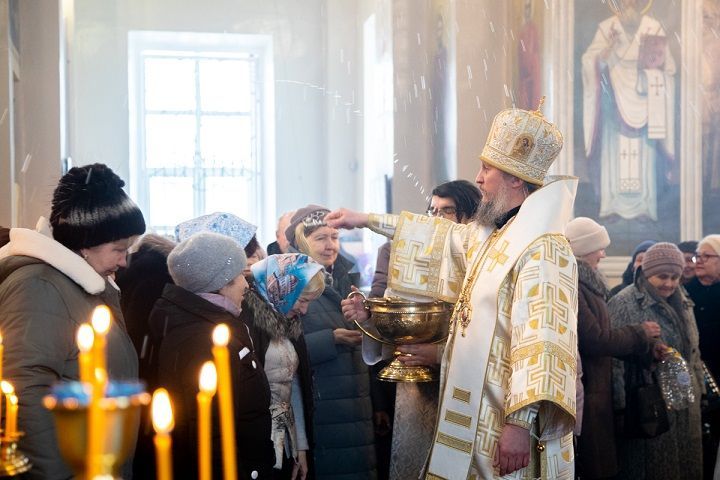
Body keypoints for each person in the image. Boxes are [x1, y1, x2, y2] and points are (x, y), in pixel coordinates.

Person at [329, 105, 578, 479]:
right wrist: (365, 219)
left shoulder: (543, 246)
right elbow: (439, 235)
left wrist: (519, 423)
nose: (478, 178)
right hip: (475, 405)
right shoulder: (495, 236)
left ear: (514, 178)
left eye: (487, 169)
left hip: (504, 417)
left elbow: (542, 340)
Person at [0, 163, 145, 479]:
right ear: (85, 242)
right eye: (118, 249)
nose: (124, 260)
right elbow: (25, 393)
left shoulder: (81, 284)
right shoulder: (39, 286)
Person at [360, 179, 481, 480]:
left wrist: (439, 353)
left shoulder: (481, 262)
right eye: (432, 211)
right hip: (413, 384)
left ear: (469, 216)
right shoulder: (404, 254)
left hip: (461, 388)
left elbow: (487, 335)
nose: (436, 220)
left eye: (447, 211)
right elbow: (389, 315)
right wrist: (366, 315)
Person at [149, 232, 274, 479]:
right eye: (240, 276)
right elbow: (211, 430)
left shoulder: (207, 324)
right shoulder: (205, 339)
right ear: (221, 282)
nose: (246, 285)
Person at [285, 204, 377, 480]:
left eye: (334, 237)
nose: (329, 245)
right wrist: (330, 339)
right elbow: (282, 352)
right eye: (320, 238)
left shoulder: (351, 278)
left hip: (357, 402)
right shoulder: (291, 284)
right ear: (302, 243)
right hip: (323, 403)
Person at [565, 217, 660, 479]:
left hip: (599, 389)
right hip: (588, 389)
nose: (604, 254)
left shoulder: (588, 282)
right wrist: (639, 332)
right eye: (599, 247)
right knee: (593, 466)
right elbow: (595, 340)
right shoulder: (574, 283)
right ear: (583, 250)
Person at [609, 242, 704, 480]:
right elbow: (613, 362)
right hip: (647, 406)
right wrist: (619, 407)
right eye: (662, 276)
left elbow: (694, 351)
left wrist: (698, 390)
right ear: (646, 273)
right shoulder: (624, 302)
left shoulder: (684, 300)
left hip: (685, 405)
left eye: (675, 277)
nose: (669, 283)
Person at [582, 0, 676, 221]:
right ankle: (611, 205)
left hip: (646, 102)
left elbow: (669, 69)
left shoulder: (653, 28)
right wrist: (608, 50)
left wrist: (654, 73)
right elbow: (590, 62)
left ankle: (644, 207)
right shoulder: (607, 29)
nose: (630, 3)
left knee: (643, 154)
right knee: (615, 153)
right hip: (613, 103)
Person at [248, 253, 326, 479]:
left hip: (286, 442)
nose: (304, 311)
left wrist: (300, 446)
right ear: (283, 288)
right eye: (302, 300)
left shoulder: (289, 321)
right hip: (258, 443)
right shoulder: (247, 321)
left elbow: (294, 388)